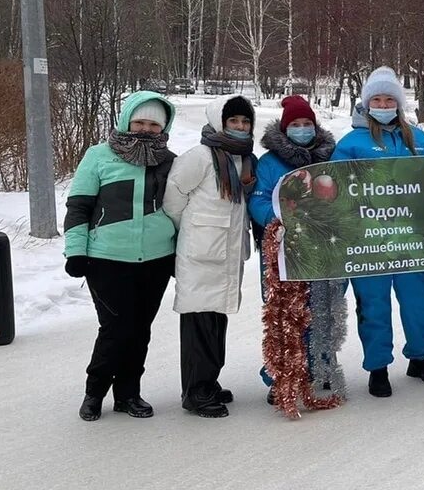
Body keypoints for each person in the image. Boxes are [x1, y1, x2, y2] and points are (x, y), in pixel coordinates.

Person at [65, 91, 178, 421]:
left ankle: (128, 394)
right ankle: (94, 392)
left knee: (140, 329)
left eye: (153, 124)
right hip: (106, 258)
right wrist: (76, 251)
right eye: (139, 121)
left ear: (164, 127)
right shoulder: (99, 156)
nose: (145, 129)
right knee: (115, 328)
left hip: (157, 259)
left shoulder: (170, 161)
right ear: (126, 119)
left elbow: (182, 209)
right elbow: (79, 207)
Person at [333, 67, 424, 396]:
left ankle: (420, 357)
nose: (383, 104)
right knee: (373, 305)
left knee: (418, 302)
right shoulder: (351, 144)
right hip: (369, 243)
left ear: (398, 103)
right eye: (377, 99)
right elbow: (337, 192)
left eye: (389, 99)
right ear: (367, 104)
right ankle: (377, 366)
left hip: (412, 241)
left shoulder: (420, 141)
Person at [163, 94, 258, 417]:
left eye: (245, 122)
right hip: (201, 252)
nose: (240, 127)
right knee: (199, 324)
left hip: (227, 253)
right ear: (220, 121)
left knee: (216, 321)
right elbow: (173, 198)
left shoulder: (245, 160)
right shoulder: (201, 157)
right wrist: (191, 230)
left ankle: (208, 382)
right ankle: (195, 392)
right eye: (234, 121)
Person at [248, 95, 342, 404]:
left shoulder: (330, 156)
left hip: (323, 245)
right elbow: (258, 199)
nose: (302, 129)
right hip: (283, 247)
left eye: (307, 124)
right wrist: (281, 221)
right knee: (285, 313)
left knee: (322, 309)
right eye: (296, 125)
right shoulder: (270, 163)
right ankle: (280, 376)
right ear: (285, 129)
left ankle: (318, 368)